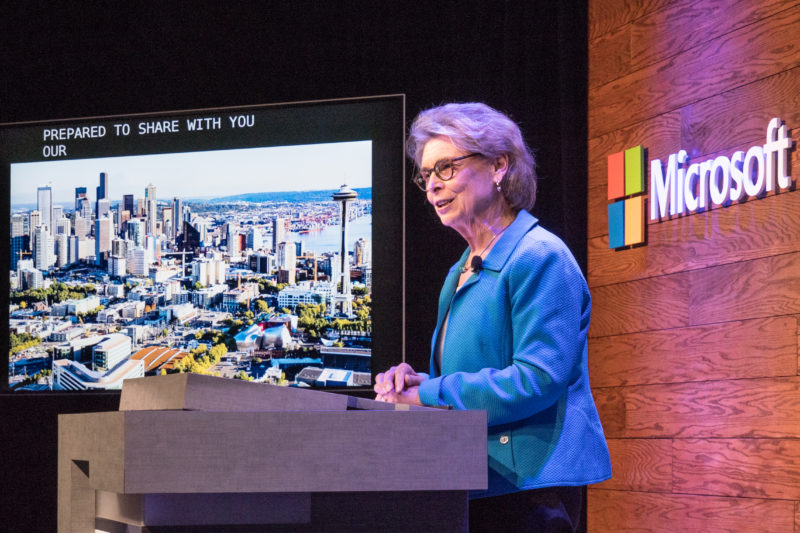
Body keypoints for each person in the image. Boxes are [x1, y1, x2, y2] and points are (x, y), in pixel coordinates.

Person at [374, 103, 611, 531]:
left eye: (445, 168)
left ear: (498, 165)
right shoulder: (461, 270)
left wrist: (430, 395)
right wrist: (417, 383)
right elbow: (473, 378)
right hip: (475, 479)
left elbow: (536, 379)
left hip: (529, 487)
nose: (432, 187)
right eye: (426, 175)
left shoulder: (540, 257)